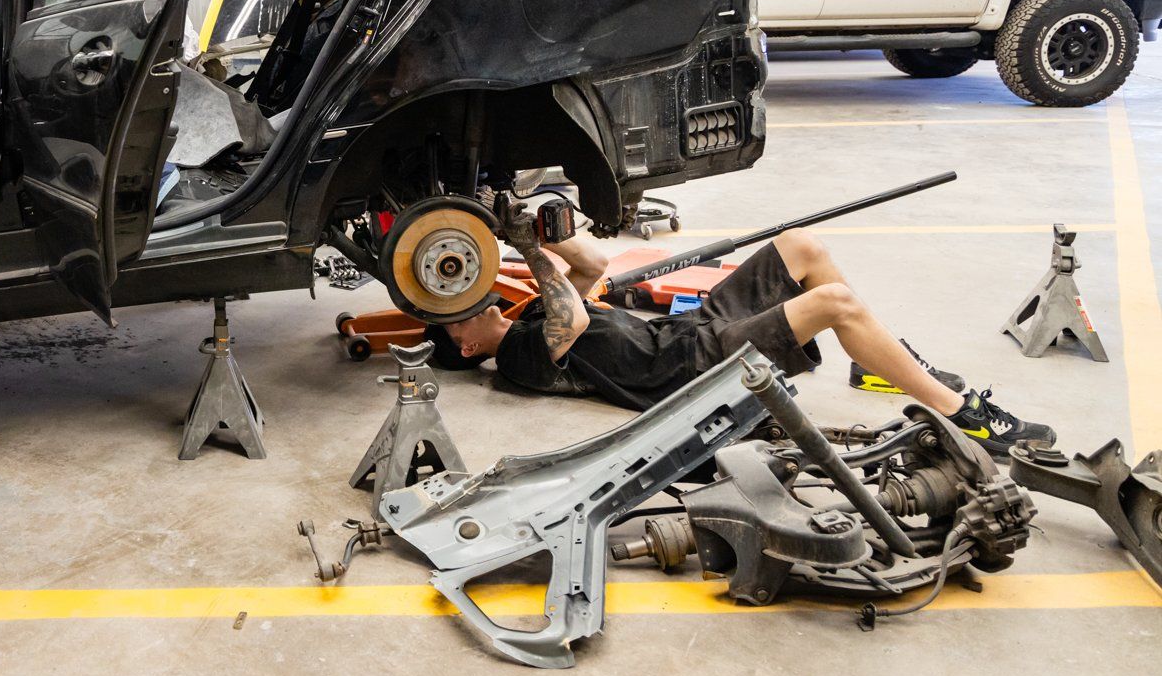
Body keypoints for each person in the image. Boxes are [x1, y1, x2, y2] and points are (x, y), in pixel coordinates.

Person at [426, 207, 1056, 459]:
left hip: (696, 330)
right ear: (466, 345)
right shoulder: (517, 359)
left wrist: (537, 220)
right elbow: (578, 317)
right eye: (454, 313)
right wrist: (528, 250)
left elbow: (590, 267)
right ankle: (962, 414)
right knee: (834, 302)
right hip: (695, 368)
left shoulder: (530, 315)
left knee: (800, 246)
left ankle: (874, 363)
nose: (467, 299)